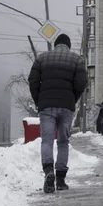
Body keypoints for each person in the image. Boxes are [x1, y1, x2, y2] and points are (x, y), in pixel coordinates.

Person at [28, 34, 87, 194]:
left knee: (47, 141)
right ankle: (60, 180)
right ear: (68, 45)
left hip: (46, 106)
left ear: (56, 45)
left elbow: (32, 80)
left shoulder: (42, 58)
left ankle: (48, 172)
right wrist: (72, 98)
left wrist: (39, 100)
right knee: (62, 142)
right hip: (66, 106)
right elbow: (81, 82)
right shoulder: (76, 60)